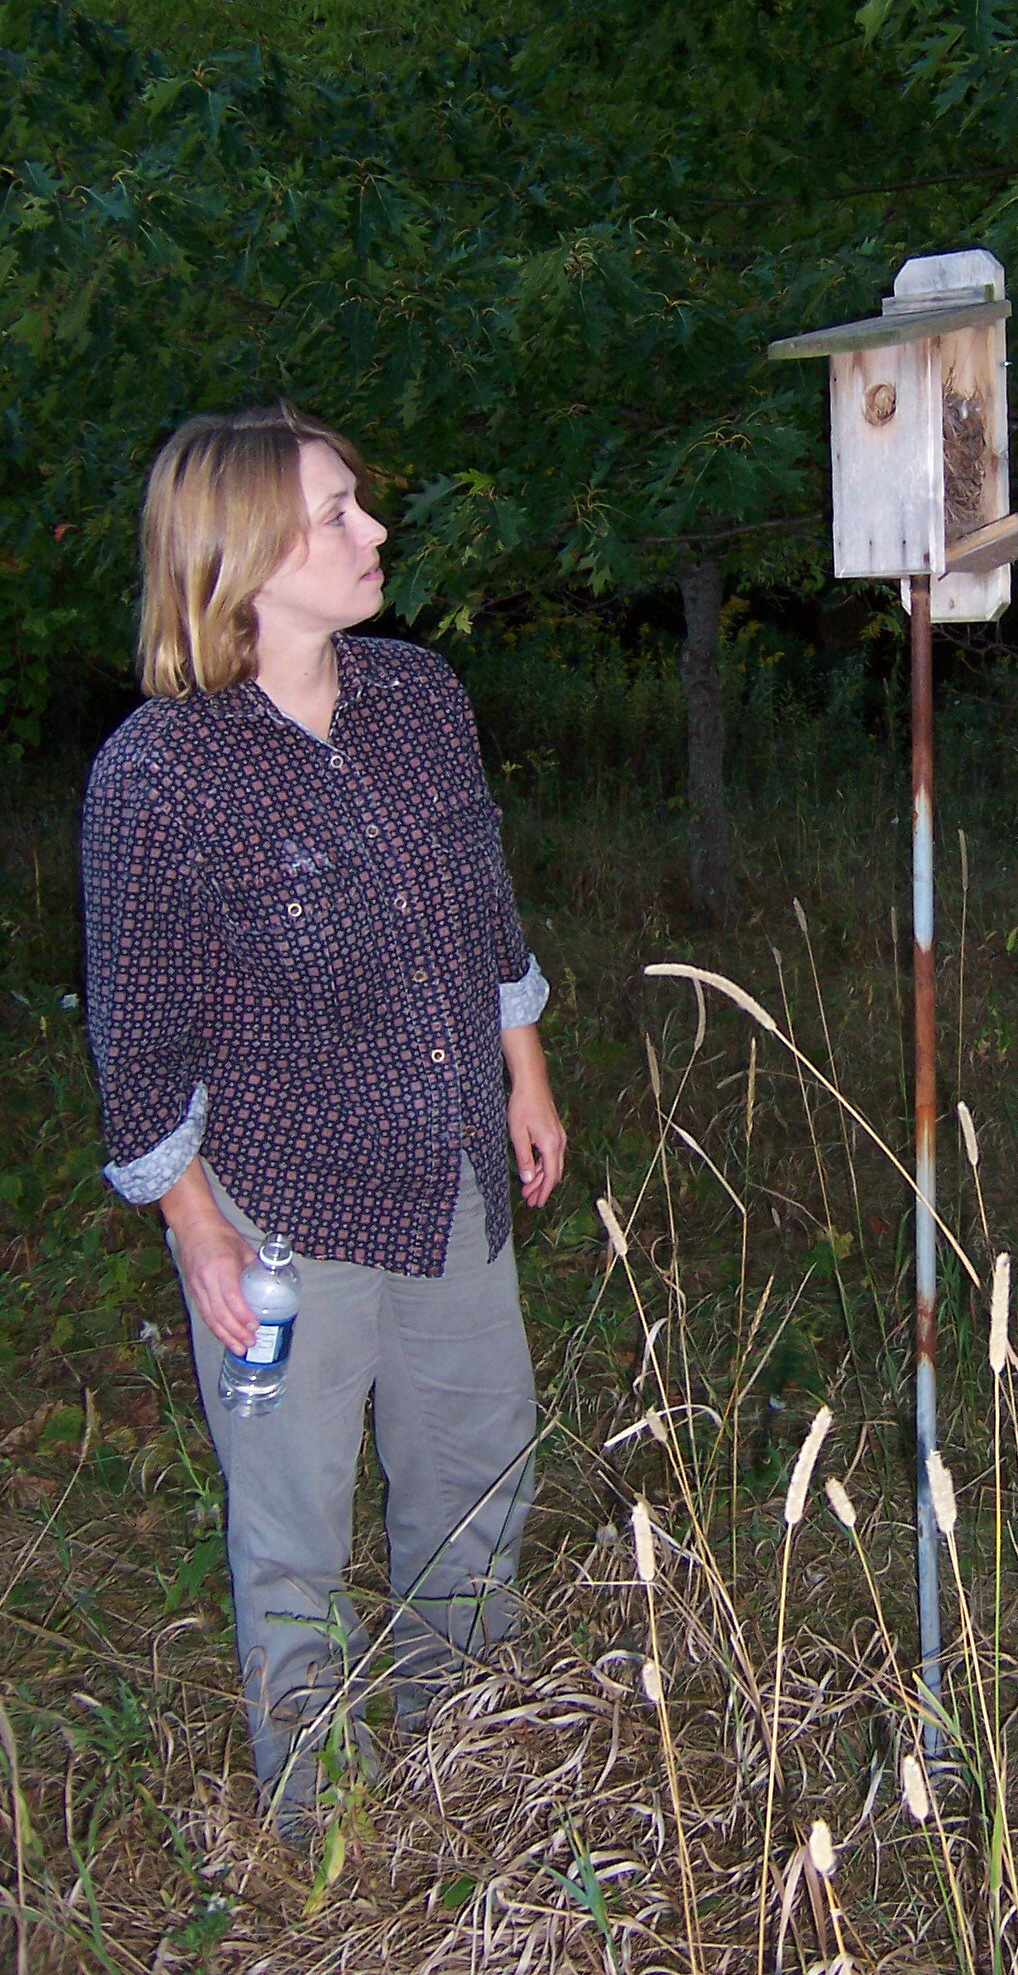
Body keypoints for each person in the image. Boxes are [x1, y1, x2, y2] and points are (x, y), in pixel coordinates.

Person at [82, 402, 566, 1836]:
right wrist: (197, 1230)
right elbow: (139, 1032)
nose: (375, 533)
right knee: (293, 1535)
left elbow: (482, 908)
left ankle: (466, 1770)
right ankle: (324, 1834)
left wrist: (523, 1074)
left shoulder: (421, 698)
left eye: (363, 501)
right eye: (336, 513)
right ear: (239, 552)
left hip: (456, 1179)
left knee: (480, 1478)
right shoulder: (160, 774)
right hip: (279, 1214)